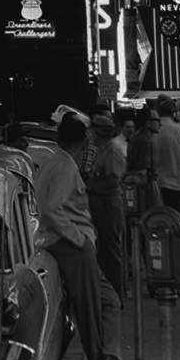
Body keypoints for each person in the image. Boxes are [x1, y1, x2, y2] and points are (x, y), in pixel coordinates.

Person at [36, 112, 122, 360]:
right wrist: (77, 238)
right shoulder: (64, 166)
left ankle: (109, 353)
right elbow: (53, 207)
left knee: (108, 301)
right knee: (89, 310)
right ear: (84, 142)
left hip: (73, 242)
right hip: (72, 244)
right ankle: (100, 356)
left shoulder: (55, 162)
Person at [80, 114, 128, 299]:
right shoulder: (102, 149)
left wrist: (90, 187)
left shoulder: (112, 151)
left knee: (111, 250)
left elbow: (114, 181)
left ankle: (117, 294)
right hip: (100, 202)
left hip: (108, 203)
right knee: (103, 250)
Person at [152, 98, 180, 210]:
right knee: (176, 219)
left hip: (157, 182)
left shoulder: (152, 130)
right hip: (177, 183)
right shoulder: (179, 130)